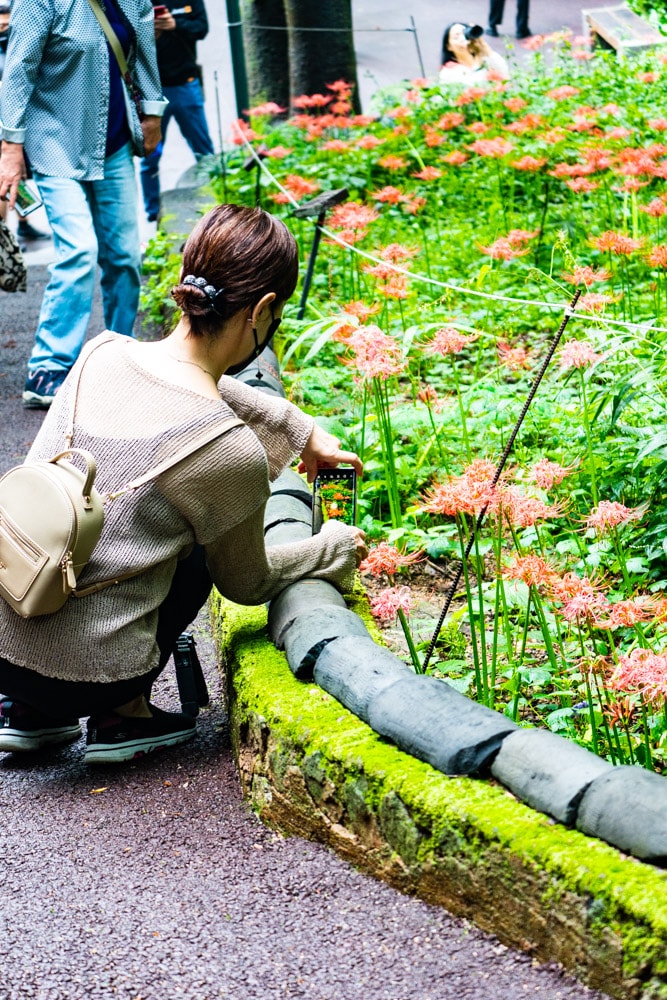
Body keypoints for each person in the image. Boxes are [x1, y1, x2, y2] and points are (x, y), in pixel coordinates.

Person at [0, 203, 367, 765]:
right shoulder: (226, 450)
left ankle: (30, 716)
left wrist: (300, 428)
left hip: (8, 646)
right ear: (263, 310)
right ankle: (122, 717)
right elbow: (246, 582)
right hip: (88, 676)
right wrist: (331, 547)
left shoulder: (101, 352)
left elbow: (196, 383)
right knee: (199, 550)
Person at [0, 0, 167, 409]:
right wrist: (10, 146)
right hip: (53, 141)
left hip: (112, 145)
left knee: (125, 256)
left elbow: (143, 53)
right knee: (79, 251)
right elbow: (18, 70)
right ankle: (49, 367)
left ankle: (120, 357)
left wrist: (152, 114)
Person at [140, 0, 214, 223]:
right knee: (150, 154)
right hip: (153, 89)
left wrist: (175, 24)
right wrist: (147, 33)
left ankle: (214, 203)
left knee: (204, 152)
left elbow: (202, 29)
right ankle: (153, 213)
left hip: (185, 84)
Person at [0, 0, 50, 244]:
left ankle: (23, 224)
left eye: (9, 27)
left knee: (19, 179)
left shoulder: (22, 45)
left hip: (22, 128)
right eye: (1, 27)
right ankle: (4, 240)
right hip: (5, 132)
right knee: (4, 182)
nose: (5, 31)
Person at [439, 22, 510, 86]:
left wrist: (483, 45)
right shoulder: (449, 71)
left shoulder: (485, 59)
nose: (462, 39)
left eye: (464, 34)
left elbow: (504, 73)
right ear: (449, 47)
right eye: (456, 37)